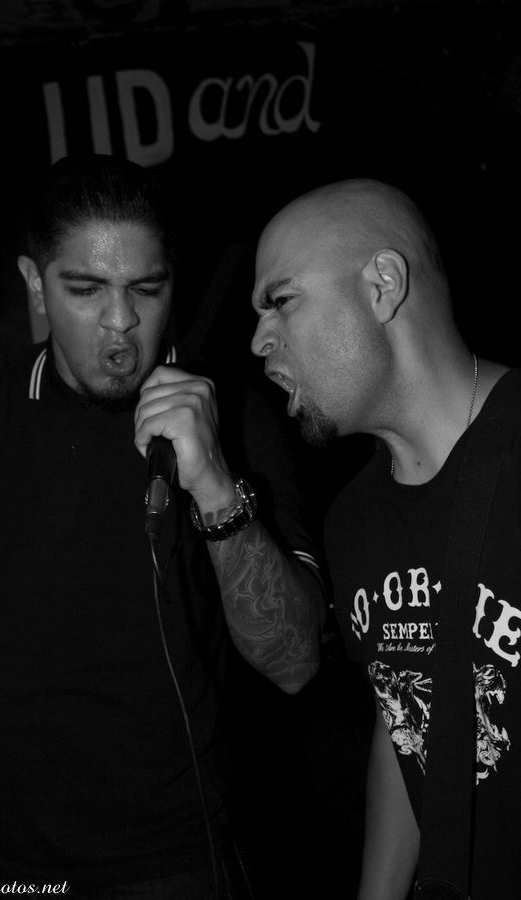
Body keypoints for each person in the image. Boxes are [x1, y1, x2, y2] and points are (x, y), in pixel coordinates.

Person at [0, 155, 324, 897]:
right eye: (85, 289)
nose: (121, 320)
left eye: (146, 288)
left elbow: (295, 662)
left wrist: (214, 484)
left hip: (169, 863)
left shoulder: (233, 413)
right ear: (34, 285)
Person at [250, 177, 519, 900]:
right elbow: (402, 724)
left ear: (383, 285)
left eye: (280, 300)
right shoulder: (352, 521)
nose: (259, 340)